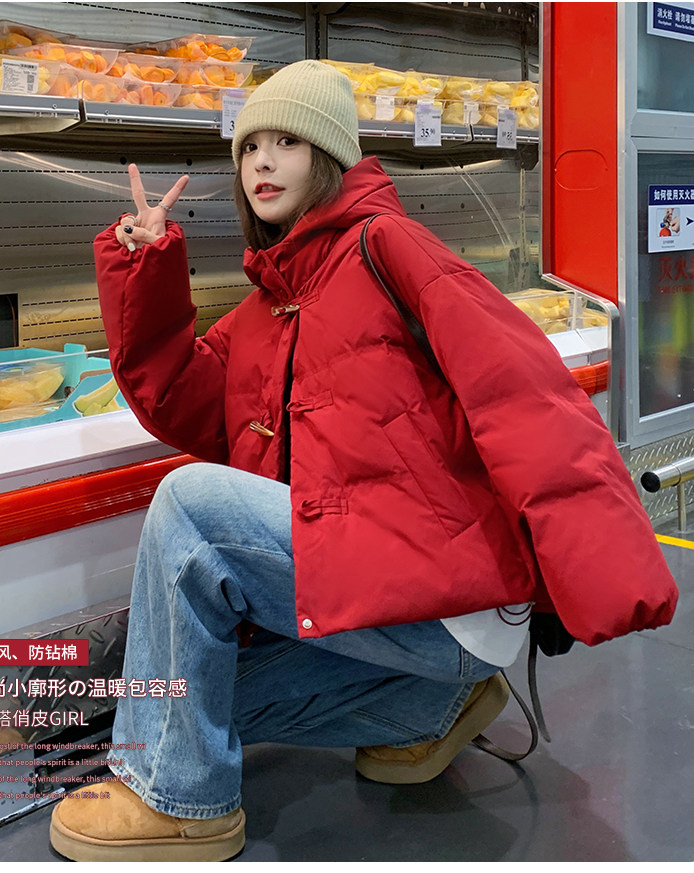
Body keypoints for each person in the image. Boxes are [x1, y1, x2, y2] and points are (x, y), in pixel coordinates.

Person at [49, 60, 678, 862]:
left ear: (330, 156)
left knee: (188, 507)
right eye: (251, 147)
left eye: (288, 142)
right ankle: (428, 712)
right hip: (396, 601)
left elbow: (522, 393)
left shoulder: (387, 246)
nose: (263, 162)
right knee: (189, 701)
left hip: (440, 594)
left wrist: (591, 571)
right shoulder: (273, 301)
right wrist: (146, 267)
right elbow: (186, 398)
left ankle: (182, 801)